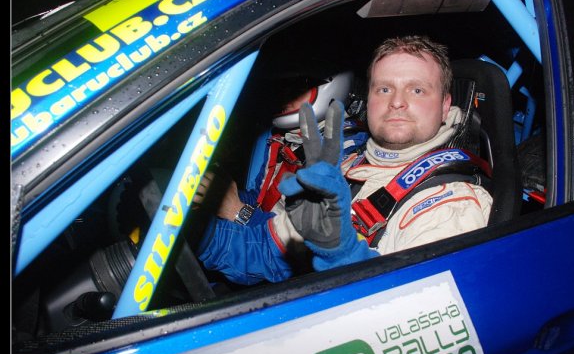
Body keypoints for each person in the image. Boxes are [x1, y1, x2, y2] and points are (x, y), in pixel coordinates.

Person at [199, 35, 493, 279]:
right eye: (384, 88)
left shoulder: (451, 204)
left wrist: (342, 254)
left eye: (417, 90)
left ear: (445, 106)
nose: (397, 102)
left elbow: (407, 314)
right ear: (369, 98)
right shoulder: (346, 167)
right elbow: (262, 252)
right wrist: (192, 234)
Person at [196, 67, 368, 284]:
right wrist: (218, 195)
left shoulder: (344, 158)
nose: (286, 95)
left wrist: (234, 212)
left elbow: (287, 254)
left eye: (299, 86)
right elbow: (265, 201)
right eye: (281, 87)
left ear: (333, 85)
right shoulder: (284, 139)